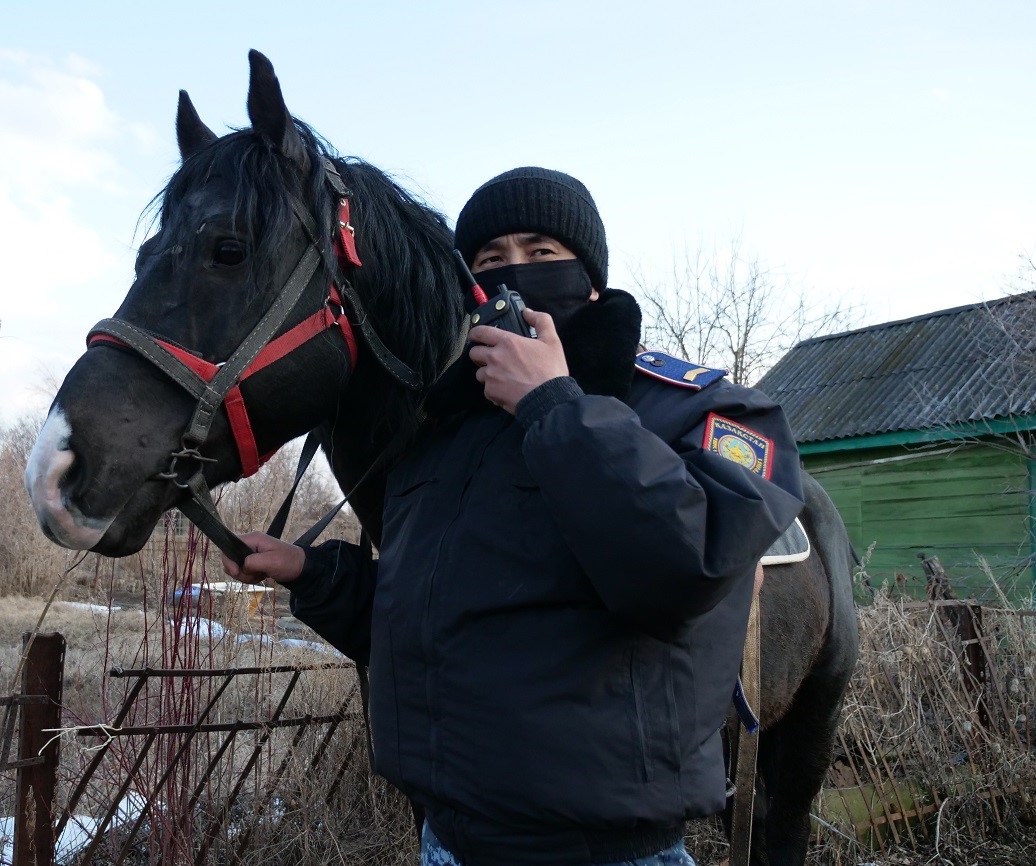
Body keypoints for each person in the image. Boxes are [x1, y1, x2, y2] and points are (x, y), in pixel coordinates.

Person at [222, 167, 804, 866]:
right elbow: (430, 626)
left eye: (542, 251)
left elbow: (685, 572)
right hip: (448, 842)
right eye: (491, 260)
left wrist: (553, 403)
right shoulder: (440, 433)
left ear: (591, 278)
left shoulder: (702, 411)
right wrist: (313, 574)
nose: (516, 271)